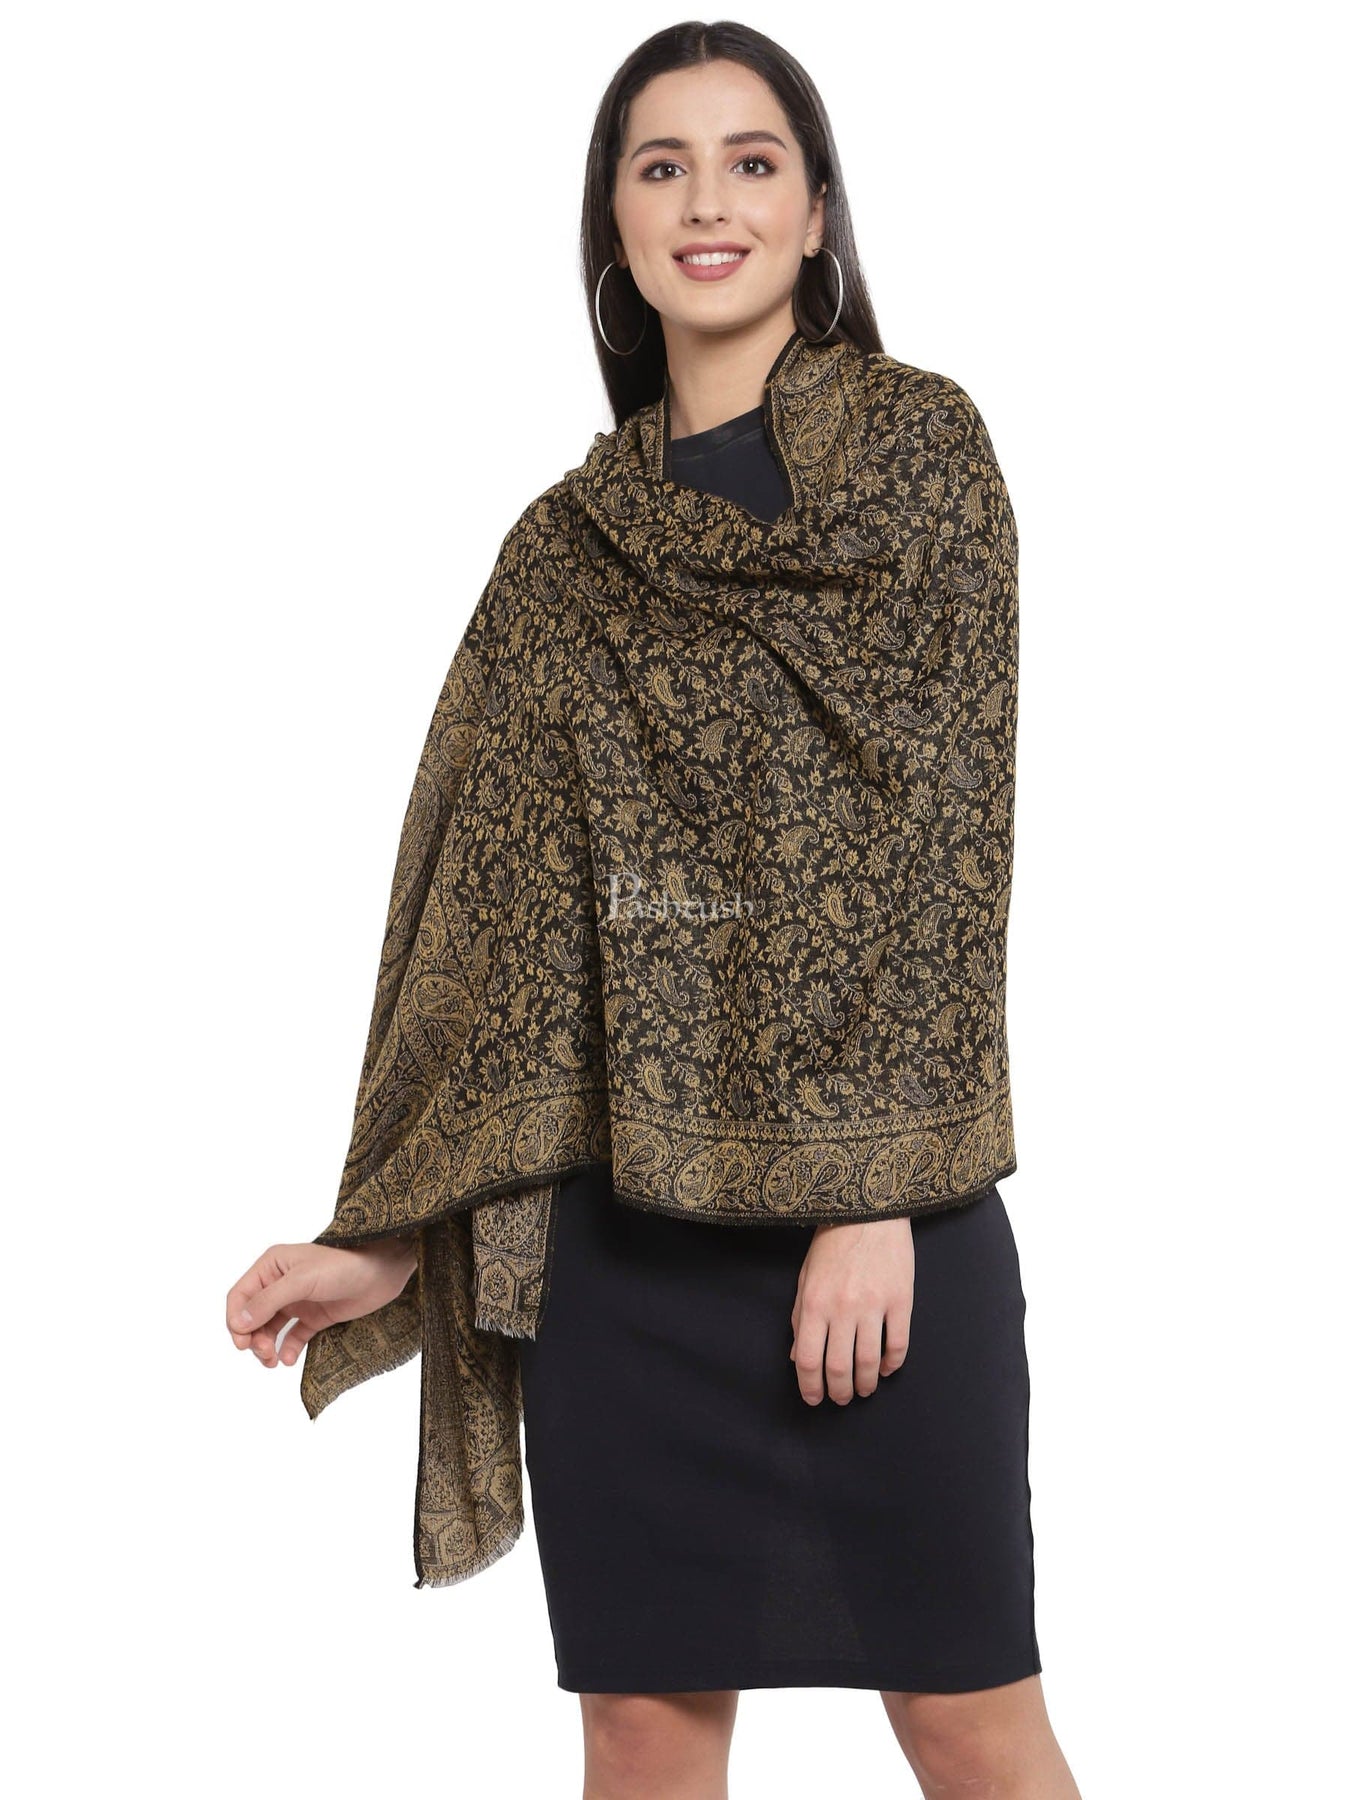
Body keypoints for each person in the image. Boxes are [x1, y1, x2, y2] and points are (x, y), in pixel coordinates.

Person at [225, 21, 1081, 1799]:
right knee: (640, 1735)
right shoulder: (565, 555)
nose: (708, 202)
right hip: (628, 1257)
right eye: (660, 166)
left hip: (889, 1222)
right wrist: (396, 1234)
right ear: (611, 224)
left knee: (970, 1727)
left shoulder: (922, 458)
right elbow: (500, 930)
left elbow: (947, 839)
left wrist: (868, 1194)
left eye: (751, 162)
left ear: (816, 211)